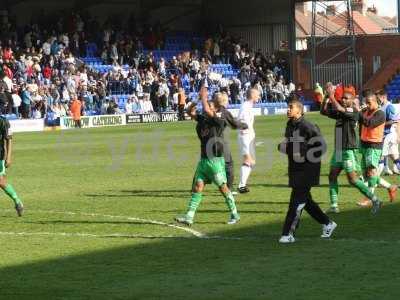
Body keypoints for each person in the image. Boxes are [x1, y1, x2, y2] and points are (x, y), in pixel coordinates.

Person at [175, 87, 240, 226]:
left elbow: (208, 109)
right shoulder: (203, 119)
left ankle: (235, 214)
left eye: (209, 106)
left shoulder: (219, 120)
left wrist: (203, 97)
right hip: (204, 160)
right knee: (198, 187)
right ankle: (189, 217)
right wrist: (197, 99)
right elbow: (189, 112)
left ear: (214, 109)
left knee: (223, 188)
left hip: (215, 161)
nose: (206, 108)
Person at [278, 97, 336, 243]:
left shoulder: (308, 126)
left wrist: (305, 155)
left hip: (308, 169)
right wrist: (283, 146)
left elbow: (321, 147)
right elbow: (287, 143)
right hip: (295, 168)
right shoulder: (290, 124)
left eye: (291, 107)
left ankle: (288, 234)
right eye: (288, 107)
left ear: (299, 110)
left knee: (296, 201)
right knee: (306, 201)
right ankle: (328, 223)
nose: (288, 109)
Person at [321, 88, 383, 214]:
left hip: (349, 149)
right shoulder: (340, 112)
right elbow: (323, 111)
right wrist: (326, 97)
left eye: (346, 98)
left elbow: (340, 109)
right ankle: (334, 205)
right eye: (342, 98)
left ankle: (375, 200)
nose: (343, 99)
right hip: (339, 149)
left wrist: (332, 96)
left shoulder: (353, 111)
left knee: (353, 180)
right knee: (332, 176)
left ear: (352, 100)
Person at [357, 92, 397, 207]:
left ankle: (369, 198)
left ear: (375, 101)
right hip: (364, 144)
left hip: (374, 145)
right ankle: (391, 187)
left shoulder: (380, 114)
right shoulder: (365, 112)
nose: (367, 105)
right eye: (366, 103)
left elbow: (369, 124)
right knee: (366, 173)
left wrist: (359, 113)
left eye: (369, 103)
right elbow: (361, 124)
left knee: (371, 171)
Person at [237, 88, 260, 193]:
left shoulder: (248, 106)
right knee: (248, 160)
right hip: (246, 137)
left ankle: (242, 184)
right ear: (252, 96)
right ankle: (241, 185)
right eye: (257, 95)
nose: (259, 97)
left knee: (252, 161)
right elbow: (241, 121)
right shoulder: (245, 106)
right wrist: (245, 133)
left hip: (248, 137)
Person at [0, 115, 24, 216]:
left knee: (1, 181)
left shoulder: (3, 121)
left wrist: (8, 156)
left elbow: (9, 139)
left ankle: (17, 201)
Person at [376, 90, 400, 175]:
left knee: (380, 156)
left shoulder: (389, 107)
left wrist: (379, 125)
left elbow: (392, 121)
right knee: (394, 157)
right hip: (383, 135)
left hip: (388, 135)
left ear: (384, 97)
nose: (377, 100)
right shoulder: (381, 106)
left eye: (378, 98)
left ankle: (373, 180)